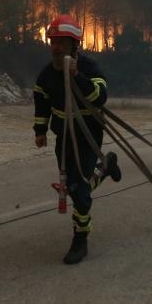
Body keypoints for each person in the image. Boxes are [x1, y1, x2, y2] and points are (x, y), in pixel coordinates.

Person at [33, 14, 121, 265]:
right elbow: (41, 103)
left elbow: (100, 97)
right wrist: (40, 130)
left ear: (74, 44)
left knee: (77, 188)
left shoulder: (90, 68)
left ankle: (80, 238)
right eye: (53, 41)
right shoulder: (46, 75)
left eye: (61, 42)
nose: (56, 47)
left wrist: (77, 77)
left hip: (87, 135)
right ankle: (105, 168)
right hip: (62, 136)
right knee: (73, 184)